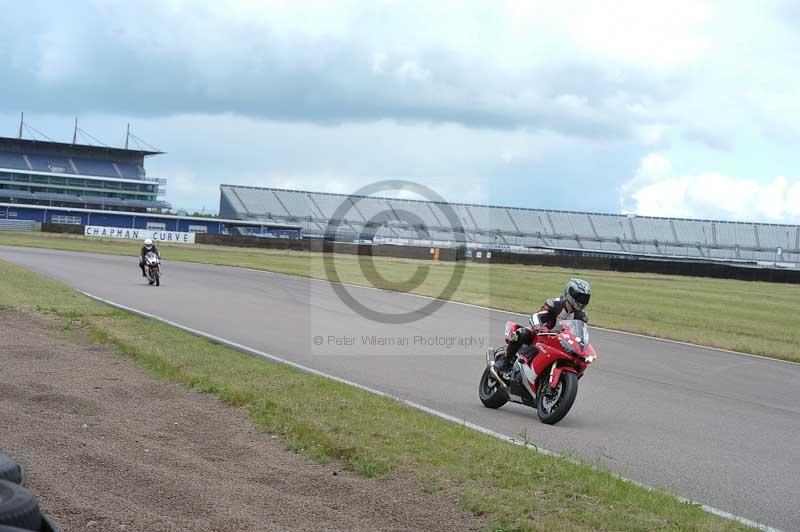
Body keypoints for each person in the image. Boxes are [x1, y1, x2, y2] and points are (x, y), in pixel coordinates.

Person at [496, 278, 591, 377]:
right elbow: (537, 315)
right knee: (520, 333)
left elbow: (581, 332)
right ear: (570, 293)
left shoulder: (582, 316)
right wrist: (538, 327)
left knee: (579, 360)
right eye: (580, 297)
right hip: (542, 334)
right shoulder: (555, 304)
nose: (582, 300)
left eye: (585, 298)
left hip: (560, 341)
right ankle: (505, 361)